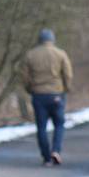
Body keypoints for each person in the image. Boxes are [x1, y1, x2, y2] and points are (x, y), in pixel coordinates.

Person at [20, 29, 73, 166]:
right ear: (52, 40)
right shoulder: (60, 53)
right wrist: (65, 89)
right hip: (56, 94)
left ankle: (46, 157)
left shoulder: (30, 55)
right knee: (59, 124)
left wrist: (30, 89)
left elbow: (25, 76)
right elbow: (68, 74)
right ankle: (56, 150)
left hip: (38, 95)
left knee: (41, 127)